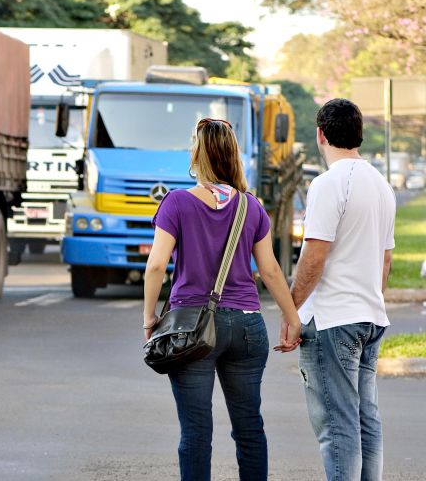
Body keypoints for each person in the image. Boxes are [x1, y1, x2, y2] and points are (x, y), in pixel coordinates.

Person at [143, 117, 302, 481]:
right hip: (247, 324)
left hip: (192, 326)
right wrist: (292, 318)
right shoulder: (251, 206)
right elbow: (272, 272)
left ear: (197, 155)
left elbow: (155, 268)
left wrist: (149, 318)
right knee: (249, 428)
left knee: (196, 432)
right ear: (232, 155)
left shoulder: (176, 203)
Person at [284, 98, 395, 481]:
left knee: (338, 426)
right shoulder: (382, 185)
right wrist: (372, 300)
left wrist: (290, 311)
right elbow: (385, 260)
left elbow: (314, 257)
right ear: (359, 135)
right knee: (366, 420)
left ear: (321, 135)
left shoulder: (328, 184)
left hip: (334, 320)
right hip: (370, 318)